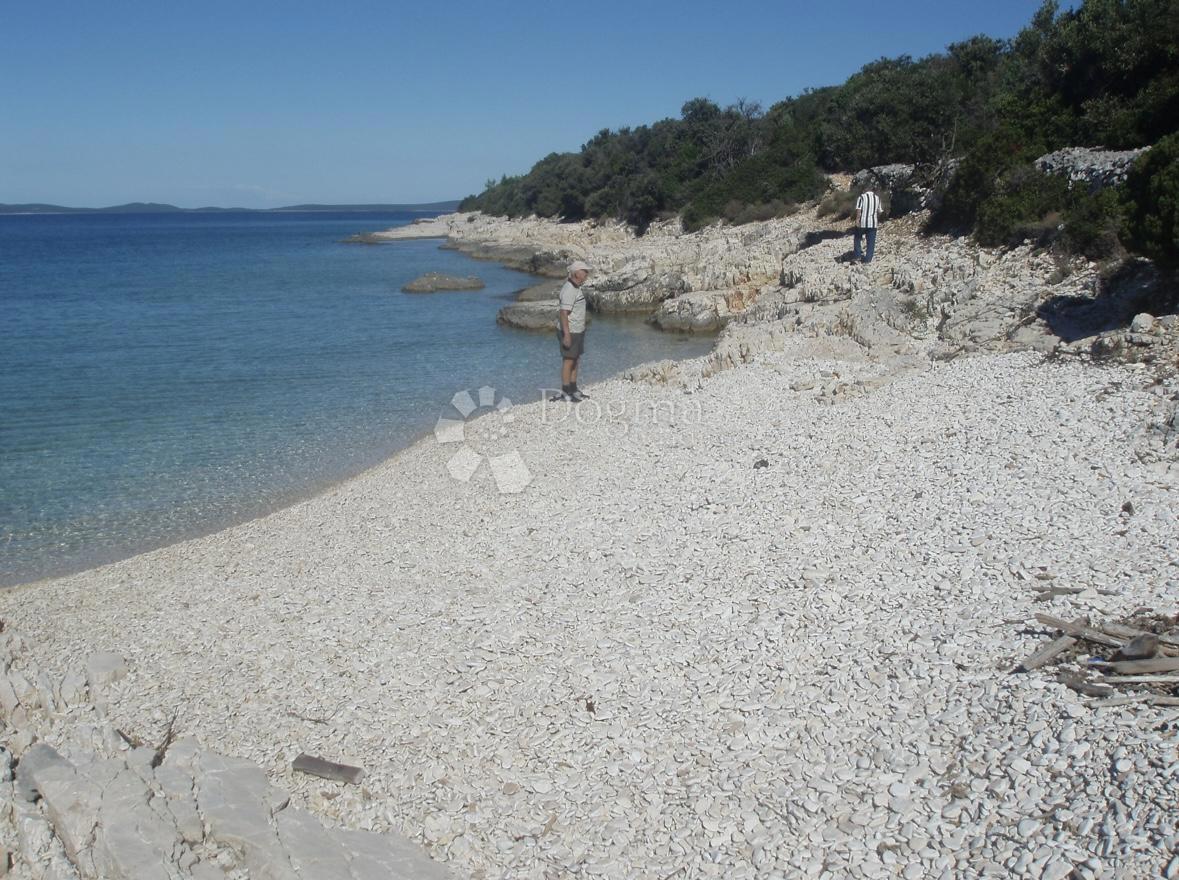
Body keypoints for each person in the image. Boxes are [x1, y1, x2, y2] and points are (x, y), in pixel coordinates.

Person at [555, 260, 591, 402]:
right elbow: (564, 313)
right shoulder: (569, 289)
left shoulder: (576, 287)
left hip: (578, 330)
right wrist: (567, 335)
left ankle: (574, 389)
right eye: (585, 271)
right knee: (569, 360)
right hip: (571, 331)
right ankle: (565, 391)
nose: (587, 274)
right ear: (577, 273)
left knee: (576, 359)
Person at [853, 188, 882, 263]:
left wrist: (857, 220)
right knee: (871, 242)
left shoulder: (861, 197)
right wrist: (876, 218)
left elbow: (859, 210)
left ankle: (858, 256)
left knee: (857, 238)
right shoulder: (877, 198)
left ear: (864, 190)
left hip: (862, 222)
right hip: (873, 223)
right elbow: (879, 211)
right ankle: (868, 260)